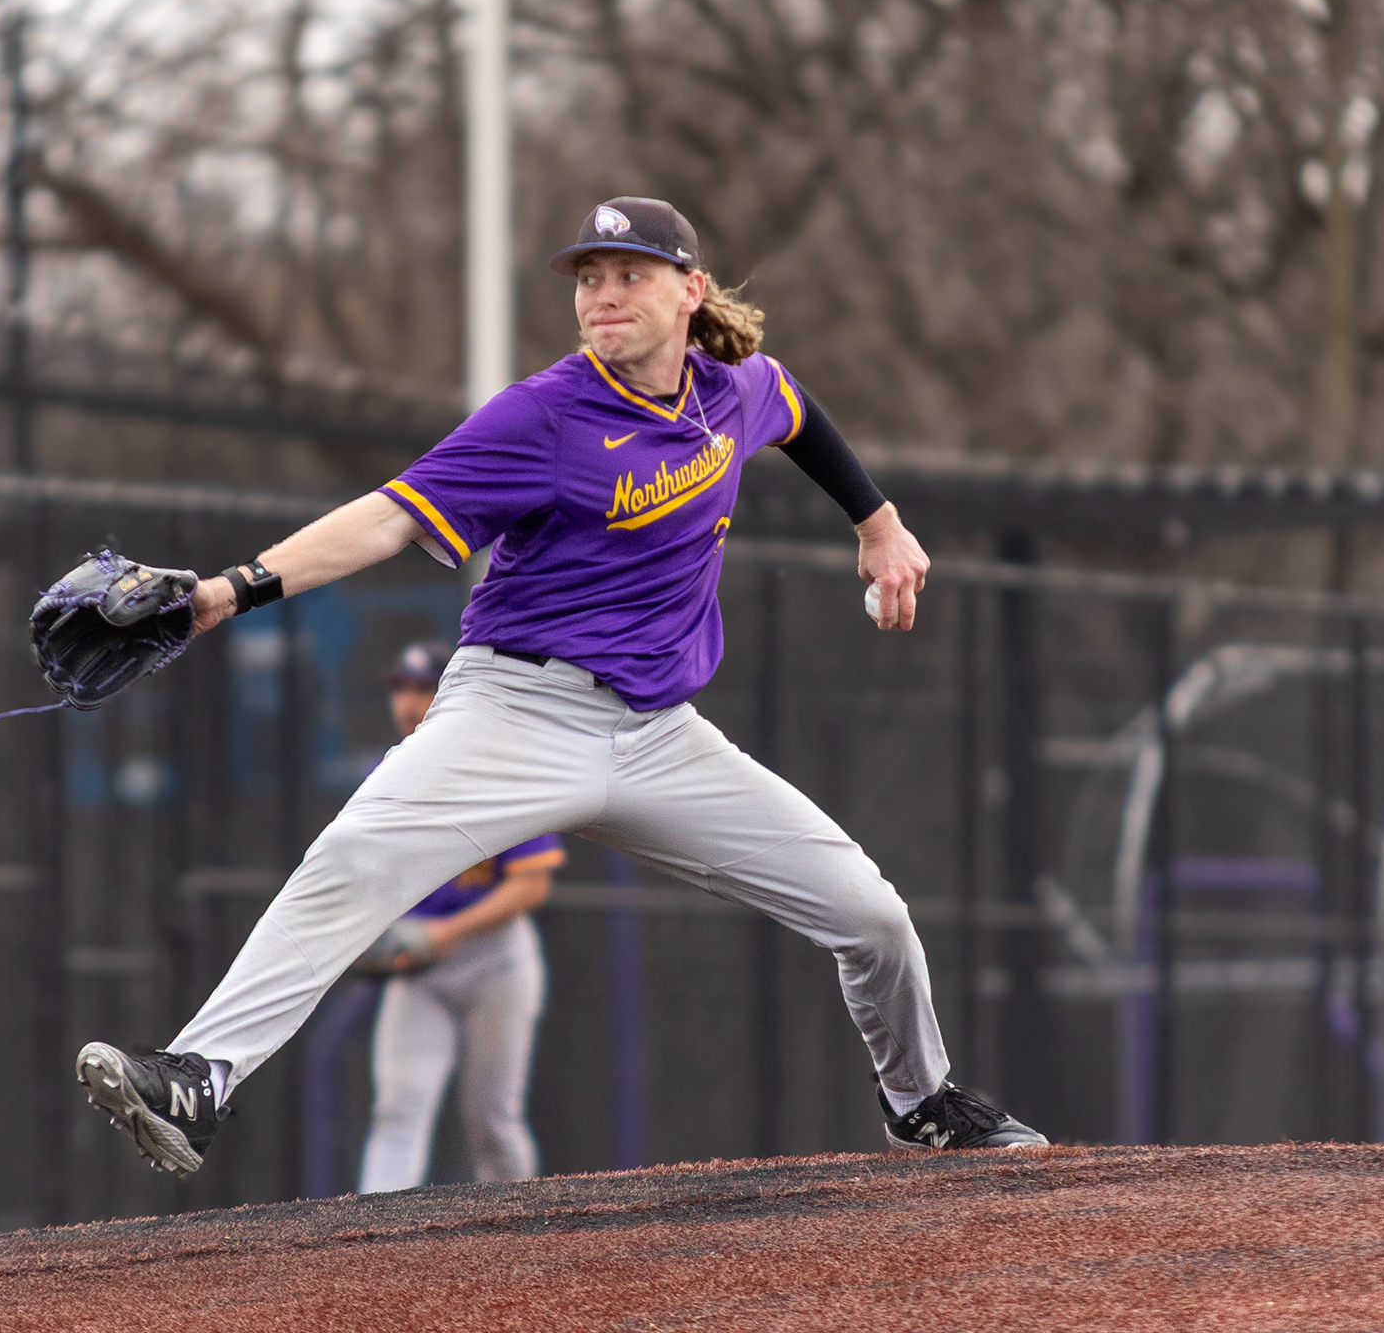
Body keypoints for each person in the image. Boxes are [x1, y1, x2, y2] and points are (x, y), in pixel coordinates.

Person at [75, 193, 1047, 1175]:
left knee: (872, 917)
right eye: (588, 277)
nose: (603, 294)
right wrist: (225, 592)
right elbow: (389, 517)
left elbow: (797, 412)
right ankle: (200, 1073)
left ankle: (920, 1102)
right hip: (516, 712)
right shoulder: (545, 414)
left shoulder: (731, 391)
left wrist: (878, 524)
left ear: (690, 291)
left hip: (661, 736)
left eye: (629, 274)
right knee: (354, 856)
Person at [354, 639, 564, 1192]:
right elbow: (368, 874)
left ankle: (521, 1233)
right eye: (401, 688)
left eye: (423, 687)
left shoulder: (503, 771)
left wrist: (446, 932)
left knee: (492, 1122)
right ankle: (372, 1238)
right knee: (397, 1111)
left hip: (496, 961)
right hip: (420, 965)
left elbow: (532, 885)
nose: (408, 701)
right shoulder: (387, 775)